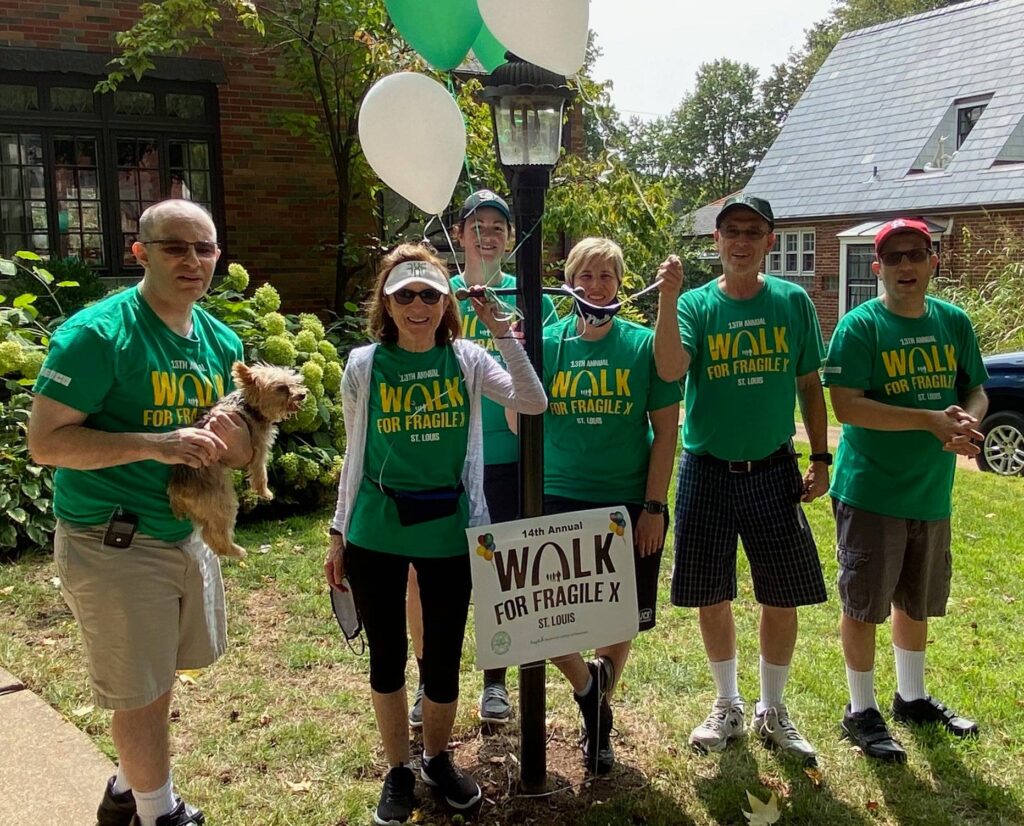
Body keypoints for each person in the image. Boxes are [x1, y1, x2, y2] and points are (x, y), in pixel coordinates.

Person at [27, 199, 252, 826]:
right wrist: (155, 444)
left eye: (204, 248)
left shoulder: (220, 339)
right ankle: (159, 814)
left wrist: (236, 447)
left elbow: (223, 445)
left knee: (158, 676)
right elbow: (46, 444)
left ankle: (127, 789)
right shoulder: (98, 336)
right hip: (112, 538)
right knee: (141, 690)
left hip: (185, 533)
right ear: (141, 253)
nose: (192, 261)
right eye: (175, 247)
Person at [324, 244, 546, 826]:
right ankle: (398, 770)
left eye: (429, 294)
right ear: (388, 303)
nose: (417, 305)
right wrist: (337, 533)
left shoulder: (468, 358)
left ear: (445, 302)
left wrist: (502, 332)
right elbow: (354, 454)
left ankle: (436, 759)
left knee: (444, 659)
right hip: (377, 528)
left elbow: (532, 400)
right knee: (388, 657)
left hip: (450, 529)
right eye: (405, 295)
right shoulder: (363, 365)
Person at [654, 194, 830, 766]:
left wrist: (821, 457)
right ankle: (727, 704)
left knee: (782, 591)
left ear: (770, 241)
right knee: (712, 591)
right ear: (716, 241)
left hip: (773, 467)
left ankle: (772, 709)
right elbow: (671, 369)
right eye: (731, 231)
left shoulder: (793, 302)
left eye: (754, 231)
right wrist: (668, 299)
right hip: (706, 468)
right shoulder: (697, 305)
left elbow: (809, 384)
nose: (742, 241)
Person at [823, 217, 989, 762]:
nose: (905, 266)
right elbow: (846, 406)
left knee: (915, 600)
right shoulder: (861, 326)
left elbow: (975, 388)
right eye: (893, 258)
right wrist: (927, 421)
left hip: (929, 491)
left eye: (915, 255)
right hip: (871, 490)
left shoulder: (954, 323)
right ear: (877, 269)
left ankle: (911, 698)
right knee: (865, 603)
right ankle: (859, 709)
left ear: (932, 261)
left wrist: (966, 421)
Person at [405, 190, 558, 728]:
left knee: (504, 575)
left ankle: (496, 682)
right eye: (477, 224)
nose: (487, 233)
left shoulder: (536, 302)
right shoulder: (435, 297)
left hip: (513, 464)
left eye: (498, 225)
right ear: (460, 233)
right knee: (428, 579)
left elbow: (539, 389)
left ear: (511, 238)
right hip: (445, 464)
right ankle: (430, 682)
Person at [539, 237, 681, 774]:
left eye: (607, 276)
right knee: (549, 615)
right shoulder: (549, 343)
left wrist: (653, 505)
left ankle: (596, 722)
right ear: (570, 281)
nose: (596, 286)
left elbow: (665, 432)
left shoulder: (645, 345)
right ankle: (589, 689)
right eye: (586, 275)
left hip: (626, 498)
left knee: (617, 614)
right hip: (559, 493)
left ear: (621, 284)